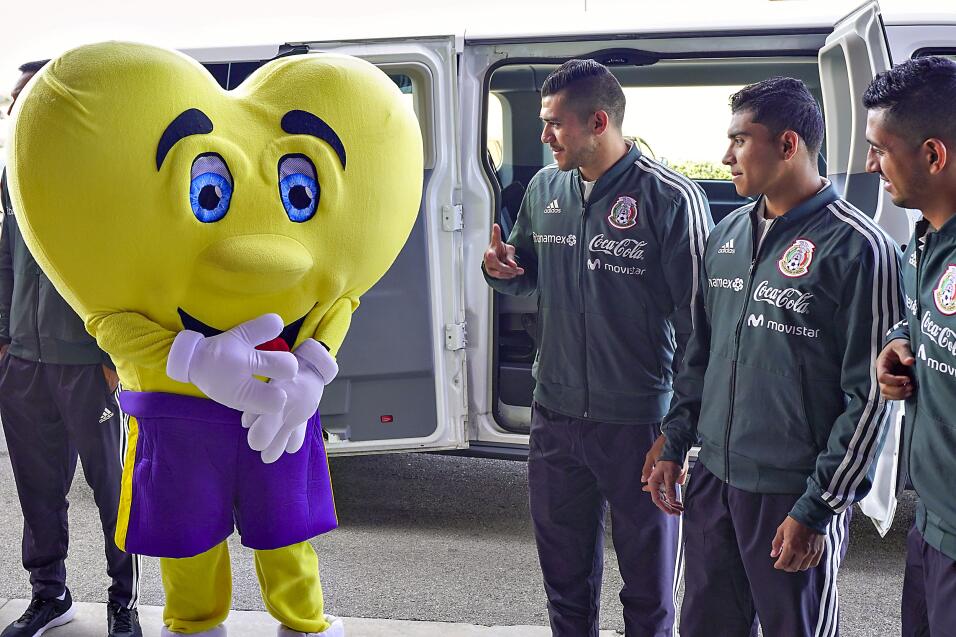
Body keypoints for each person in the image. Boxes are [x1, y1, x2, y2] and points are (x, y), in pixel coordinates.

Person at [647, 77, 902, 636]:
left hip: (794, 491)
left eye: (740, 140)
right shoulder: (726, 235)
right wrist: (676, 439)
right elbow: (701, 352)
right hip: (714, 480)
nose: (726, 156)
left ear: (788, 145)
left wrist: (818, 507)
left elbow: (872, 399)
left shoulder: (861, 249)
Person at [482, 58, 712, 637]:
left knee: (649, 591)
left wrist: (679, 433)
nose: (544, 135)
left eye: (555, 123)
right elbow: (527, 272)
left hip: (637, 424)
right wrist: (502, 271)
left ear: (598, 122)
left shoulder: (670, 198)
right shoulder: (544, 187)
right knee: (564, 584)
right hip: (555, 419)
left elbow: (699, 331)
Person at [0, 61, 142, 637]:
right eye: (13, 105)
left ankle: (123, 602)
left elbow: (124, 265)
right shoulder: (13, 173)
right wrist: (4, 339)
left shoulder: (100, 170)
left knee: (113, 491)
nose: (16, 113)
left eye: (25, 103)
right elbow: (6, 258)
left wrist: (111, 355)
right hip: (24, 364)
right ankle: (49, 595)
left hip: (88, 365)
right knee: (38, 491)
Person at [869, 55, 956, 637]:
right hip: (929, 521)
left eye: (880, 149)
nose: (869, 164)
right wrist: (900, 342)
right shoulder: (922, 243)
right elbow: (916, 320)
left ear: (932, 154)